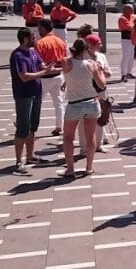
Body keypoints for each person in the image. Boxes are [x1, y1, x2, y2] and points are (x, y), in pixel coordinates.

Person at [10, 27, 56, 174]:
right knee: (22, 128)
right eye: (33, 37)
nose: (35, 39)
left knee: (33, 126)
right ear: (25, 39)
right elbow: (24, 76)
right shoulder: (18, 55)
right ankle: (18, 161)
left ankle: (30, 156)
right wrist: (43, 72)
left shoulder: (33, 52)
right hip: (24, 95)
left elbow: (43, 67)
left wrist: (60, 68)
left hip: (36, 93)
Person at [59, 38, 104, 177]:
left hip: (74, 104)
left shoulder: (67, 62)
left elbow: (68, 70)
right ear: (85, 50)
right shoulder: (91, 64)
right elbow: (102, 85)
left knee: (68, 137)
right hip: (91, 102)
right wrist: (99, 70)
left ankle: (70, 168)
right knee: (90, 136)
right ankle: (89, 167)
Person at [35, 20, 69, 136]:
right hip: (59, 76)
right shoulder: (60, 42)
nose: (38, 30)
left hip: (44, 77)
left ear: (44, 29)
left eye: (39, 28)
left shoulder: (40, 43)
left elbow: (37, 63)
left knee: (37, 103)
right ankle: (60, 126)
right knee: (58, 102)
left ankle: (32, 126)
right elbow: (66, 60)